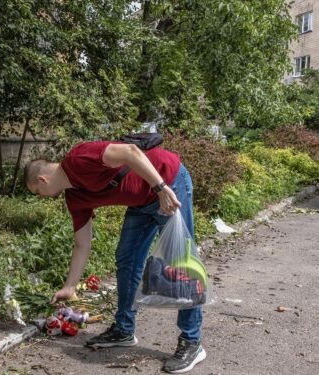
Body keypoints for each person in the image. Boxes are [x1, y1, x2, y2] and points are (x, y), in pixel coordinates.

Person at [24, 140, 205, 374]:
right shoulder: (75, 198)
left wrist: (160, 188)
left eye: (38, 192)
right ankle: (124, 329)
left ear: (42, 180)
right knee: (127, 260)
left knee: (180, 260)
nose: (42, 196)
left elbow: (130, 152)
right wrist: (69, 287)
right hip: (141, 203)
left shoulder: (78, 160)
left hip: (168, 181)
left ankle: (192, 341)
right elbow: (82, 244)